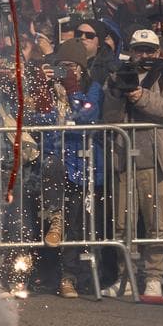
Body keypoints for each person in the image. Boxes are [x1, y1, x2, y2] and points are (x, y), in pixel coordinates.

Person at [103, 29, 163, 298]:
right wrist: (118, 92)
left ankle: (154, 277)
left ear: (157, 51)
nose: (144, 55)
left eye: (149, 50)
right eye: (139, 49)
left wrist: (141, 96)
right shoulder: (117, 74)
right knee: (123, 222)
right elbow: (108, 116)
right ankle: (125, 275)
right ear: (130, 50)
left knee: (157, 221)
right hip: (123, 156)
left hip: (154, 157)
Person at [47, 37, 106, 298]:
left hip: (83, 167)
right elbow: (38, 118)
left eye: (71, 65)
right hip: (52, 164)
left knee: (76, 226)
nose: (66, 71)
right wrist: (43, 87)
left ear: (81, 67)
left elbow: (87, 116)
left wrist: (72, 89)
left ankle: (70, 278)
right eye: (61, 65)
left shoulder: (92, 88)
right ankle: (45, 276)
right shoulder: (48, 89)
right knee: (47, 226)